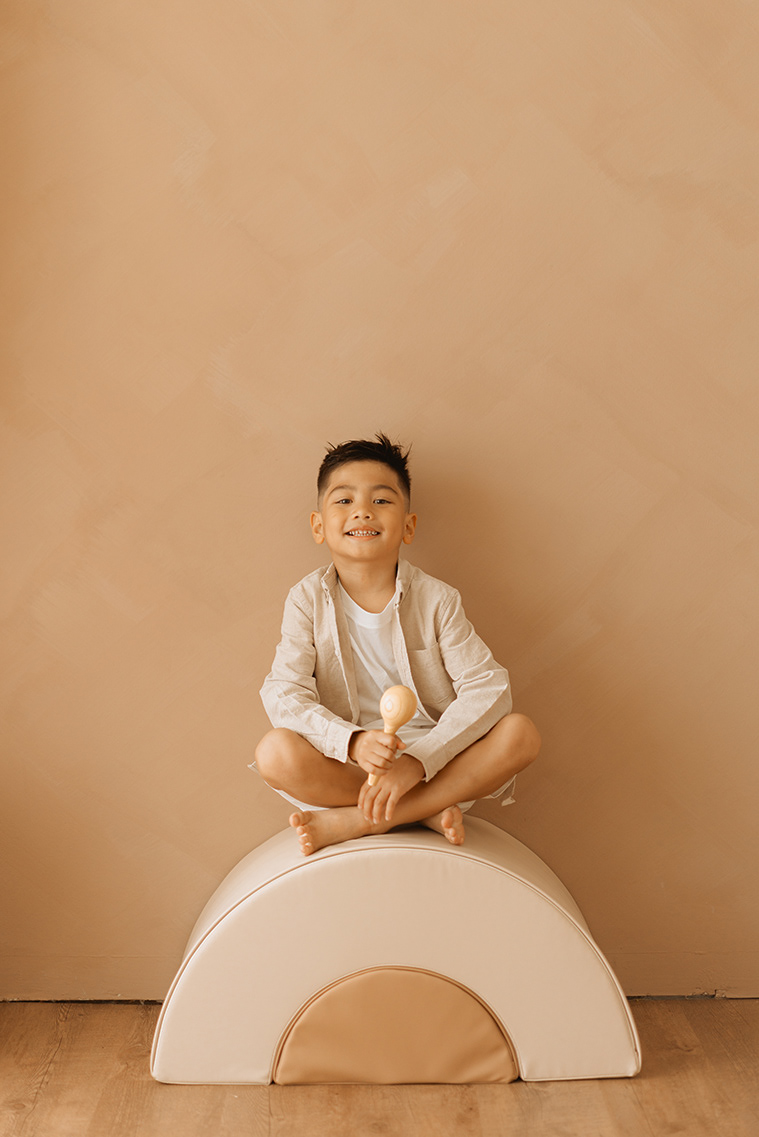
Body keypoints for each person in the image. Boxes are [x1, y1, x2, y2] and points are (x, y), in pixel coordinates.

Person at [252, 433, 540, 856]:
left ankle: (359, 820)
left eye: (382, 500)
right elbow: (283, 691)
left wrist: (417, 762)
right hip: (351, 766)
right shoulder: (306, 600)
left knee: (521, 734)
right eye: (344, 500)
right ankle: (422, 812)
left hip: (434, 764)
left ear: (408, 526)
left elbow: (489, 688)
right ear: (318, 526)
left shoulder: (437, 600)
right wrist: (352, 742)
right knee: (274, 753)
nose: (363, 511)